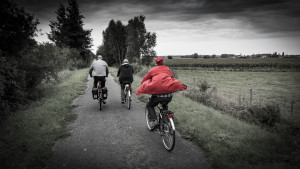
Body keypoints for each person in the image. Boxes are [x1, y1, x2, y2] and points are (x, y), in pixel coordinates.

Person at [136, 57, 187, 123]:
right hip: (169, 96)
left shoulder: (153, 70)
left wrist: (142, 84)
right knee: (164, 105)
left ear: (156, 63)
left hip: (157, 96)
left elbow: (145, 78)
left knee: (149, 105)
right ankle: (165, 121)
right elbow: (172, 77)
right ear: (163, 62)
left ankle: (153, 120)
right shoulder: (167, 69)